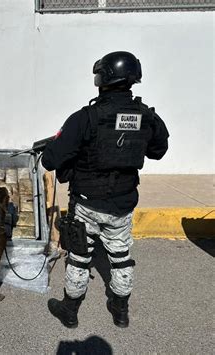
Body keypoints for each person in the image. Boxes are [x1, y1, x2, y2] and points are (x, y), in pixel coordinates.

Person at [42, 51, 169, 328]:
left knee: (79, 255)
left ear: (103, 78)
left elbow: (50, 159)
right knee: (121, 255)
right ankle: (120, 311)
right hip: (122, 203)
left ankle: (70, 310)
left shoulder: (86, 117)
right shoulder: (146, 116)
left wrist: (59, 144)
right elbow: (159, 150)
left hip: (87, 202)